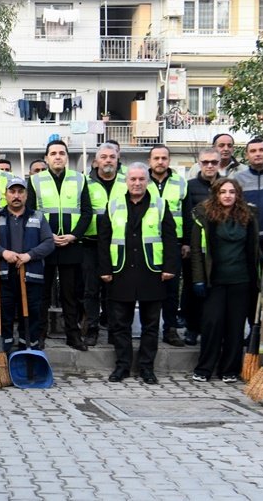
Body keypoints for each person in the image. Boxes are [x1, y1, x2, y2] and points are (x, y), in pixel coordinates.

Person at [98, 162, 179, 384]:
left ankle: (146, 368)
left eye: (141, 179)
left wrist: (170, 268)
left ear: (147, 181)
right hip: (120, 271)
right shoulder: (113, 205)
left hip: (152, 272)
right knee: (119, 325)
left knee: (151, 325)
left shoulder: (160, 205)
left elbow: (171, 238)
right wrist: (105, 269)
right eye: (132, 179)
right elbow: (103, 239)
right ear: (126, 181)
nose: (136, 183)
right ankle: (122, 366)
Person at [189, 178, 260, 383]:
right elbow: (196, 250)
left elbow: (254, 247)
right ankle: (204, 369)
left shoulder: (249, 216)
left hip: (241, 279)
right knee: (212, 324)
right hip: (215, 280)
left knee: (235, 326)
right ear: (216, 194)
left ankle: (229, 369)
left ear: (237, 194)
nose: (227, 195)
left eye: (231, 192)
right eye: (223, 192)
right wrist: (198, 279)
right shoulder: (203, 215)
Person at [28, 139, 93, 351]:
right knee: (42, 294)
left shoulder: (80, 179)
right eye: (53, 153)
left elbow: (86, 212)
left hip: (71, 246)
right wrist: (47, 237)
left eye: (61, 153)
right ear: (46, 158)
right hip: (44, 247)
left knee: (70, 294)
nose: (58, 157)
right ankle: (40, 334)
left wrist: (74, 235)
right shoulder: (35, 180)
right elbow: (31, 214)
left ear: (66, 157)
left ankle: (73, 335)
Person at [0, 177, 55, 353]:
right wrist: (3, 253)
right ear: (5, 195)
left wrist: (29, 255)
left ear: (26, 195)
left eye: (20, 192)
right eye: (12, 191)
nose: (16, 195)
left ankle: (28, 353)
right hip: (3, 276)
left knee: (30, 318)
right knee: (2, 318)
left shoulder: (38, 216)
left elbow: (49, 243)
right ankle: (2, 355)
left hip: (30, 275)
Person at [81, 143, 126, 346]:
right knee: (91, 289)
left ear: (118, 160)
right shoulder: (85, 183)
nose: (108, 160)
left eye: (112, 157)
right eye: (104, 157)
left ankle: (113, 328)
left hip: (118, 244)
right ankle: (91, 328)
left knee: (115, 289)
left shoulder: (126, 182)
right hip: (91, 243)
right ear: (96, 161)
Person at [147, 144, 189, 347]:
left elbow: (188, 215)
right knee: (149, 288)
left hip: (174, 243)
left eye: (164, 158)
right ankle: (150, 330)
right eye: (156, 158)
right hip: (147, 243)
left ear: (169, 161)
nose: (160, 161)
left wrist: (187, 242)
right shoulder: (141, 181)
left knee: (172, 289)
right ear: (150, 161)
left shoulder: (181, 183)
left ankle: (170, 329)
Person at [182, 147, 222, 346]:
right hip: (196, 249)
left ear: (219, 163)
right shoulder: (189, 186)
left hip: (220, 250)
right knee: (193, 289)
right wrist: (187, 243)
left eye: (213, 162)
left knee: (215, 292)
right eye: (205, 162)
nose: (209, 166)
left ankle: (212, 329)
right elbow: (186, 216)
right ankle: (192, 328)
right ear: (199, 163)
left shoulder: (226, 186)